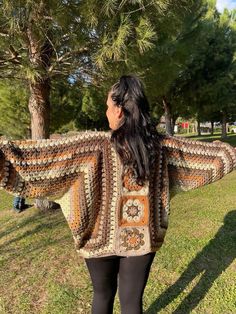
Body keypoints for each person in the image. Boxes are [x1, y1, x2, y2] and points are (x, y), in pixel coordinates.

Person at [0, 75, 235, 314]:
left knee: (102, 296)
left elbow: (39, 160)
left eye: (107, 107)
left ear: (120, 110)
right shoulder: (161, 147)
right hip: (142, 237)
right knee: (132, 302)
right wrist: (228, 152)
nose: (106, 112)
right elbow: (209, 157)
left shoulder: (91, 147)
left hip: (98, 239)